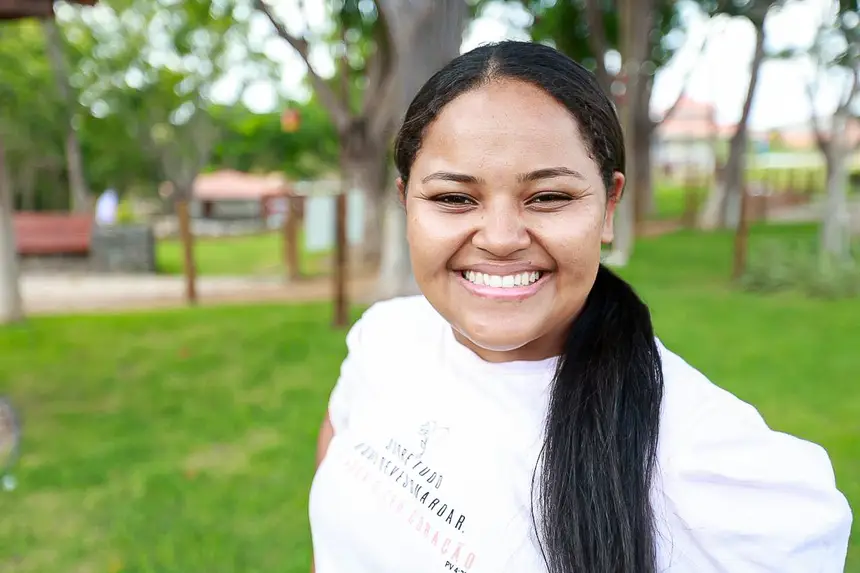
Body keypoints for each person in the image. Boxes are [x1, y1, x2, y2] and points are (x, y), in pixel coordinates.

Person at [308, 41, 853, 573]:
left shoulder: (715, 468)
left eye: (549, 197)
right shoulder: (384, 337)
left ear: (609, 205)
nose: (500, 238)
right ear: (406, 202)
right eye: (454, 198)